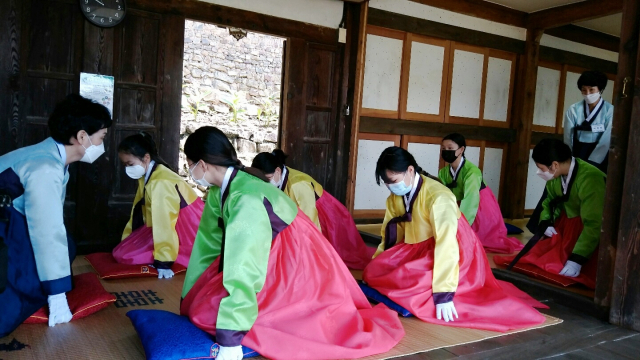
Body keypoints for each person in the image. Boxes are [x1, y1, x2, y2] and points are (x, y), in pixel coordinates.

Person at [179, 127, 404, 360]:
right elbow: (208, 246)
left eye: (190, 165)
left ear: (202, 164)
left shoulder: (245, 196)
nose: (191, 172)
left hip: (294, 258)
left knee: (241, 319)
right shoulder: (222, 191)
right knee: (202, 308)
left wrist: (231, 336)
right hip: (272, 254)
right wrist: (191, 293)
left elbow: (244, 263)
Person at [363, 146, 546, 331]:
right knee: (375, 271)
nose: (391, 187)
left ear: (410, 170)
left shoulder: (438, 197)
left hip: (454, 250)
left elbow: (447, 244)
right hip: (418, 246)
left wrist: (444, 292)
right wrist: (382, 260)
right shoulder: (397, 196)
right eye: (387, 184)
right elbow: (390, 232)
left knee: (414, 284)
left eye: (393, 181)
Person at [0, 94, 111, 337]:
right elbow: (46, 230)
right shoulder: (46, 166)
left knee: (67, 245)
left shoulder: (54, 157)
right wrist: (57, 295)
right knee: (17, 295)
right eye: (101, 137)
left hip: (12, 221)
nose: (103, 144)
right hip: (5, 227)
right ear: (82, 137)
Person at [495, 139, 605, 289]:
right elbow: (548, 202)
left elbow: (594, 223)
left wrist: (577, 259)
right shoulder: (556, 175)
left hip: (588, 230)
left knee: (573, 270)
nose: (539, 172)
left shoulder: (591, 178)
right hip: (565, 224)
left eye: (541, 168)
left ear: (554, 165)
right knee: (539, 262)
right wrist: (545, 221)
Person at [251, 150, 374, 270]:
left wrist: (311, 250)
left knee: (336, 258)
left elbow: (311, 223)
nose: (264, 183)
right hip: (304, 215)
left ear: (278, 170)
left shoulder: (297, 185)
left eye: (267, 179)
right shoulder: (279, 178)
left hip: (326, 216)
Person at [528, 70, 612, 233]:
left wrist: (591, 166)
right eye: (584, 90)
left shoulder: (610, 111)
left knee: (593, 191)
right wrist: (568, 160)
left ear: (600, 89)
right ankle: (545, 226)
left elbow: (606, 141)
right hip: (575, 154)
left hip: (598, 158)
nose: (587, 94)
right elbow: (568, 137)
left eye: (591, 90)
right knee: (558, 185)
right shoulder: (574, 110)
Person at [111, 132, 204, 279]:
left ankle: (174, 253)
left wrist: (163, 261)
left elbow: (165, 222)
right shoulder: (151, 174)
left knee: (126, 256)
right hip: (166, 226)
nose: (127, 169)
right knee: (121, 251)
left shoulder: (160, 182)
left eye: (130, 164)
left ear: (146, 158)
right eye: (125, 165)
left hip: (187, 230)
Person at [438, 133, 523, 254]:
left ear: (461, 149)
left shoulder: (472, 171)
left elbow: (471, 199)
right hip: (460, 204)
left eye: (450, 148)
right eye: (443, 148)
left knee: (481, 239)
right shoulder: (444, 172)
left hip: (480, 205)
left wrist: (461, 225)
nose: (446, 151)